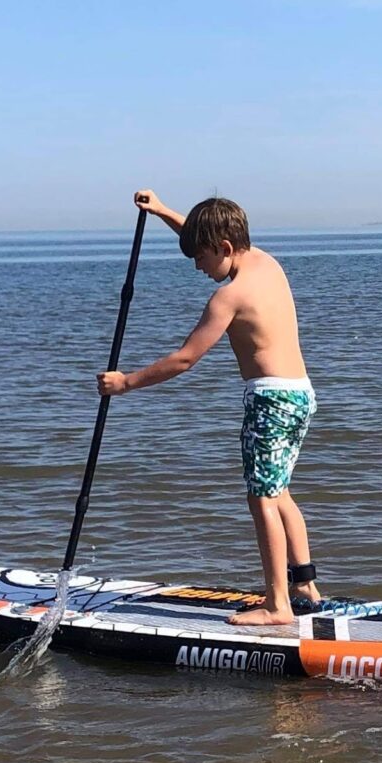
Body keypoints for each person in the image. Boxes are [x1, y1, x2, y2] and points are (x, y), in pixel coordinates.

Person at [96, 190, 319, 626]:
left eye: (200, 258)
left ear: (224, 249)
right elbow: (208, 238)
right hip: (301, 395)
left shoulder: (229, 298)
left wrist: (126, 383)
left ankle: (278, 606)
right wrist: (162, 212)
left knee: (262, 499)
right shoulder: (267, 263)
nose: (198, 268)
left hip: (270, 400)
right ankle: (304, 583)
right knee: (279, 491)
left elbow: (184, 359)